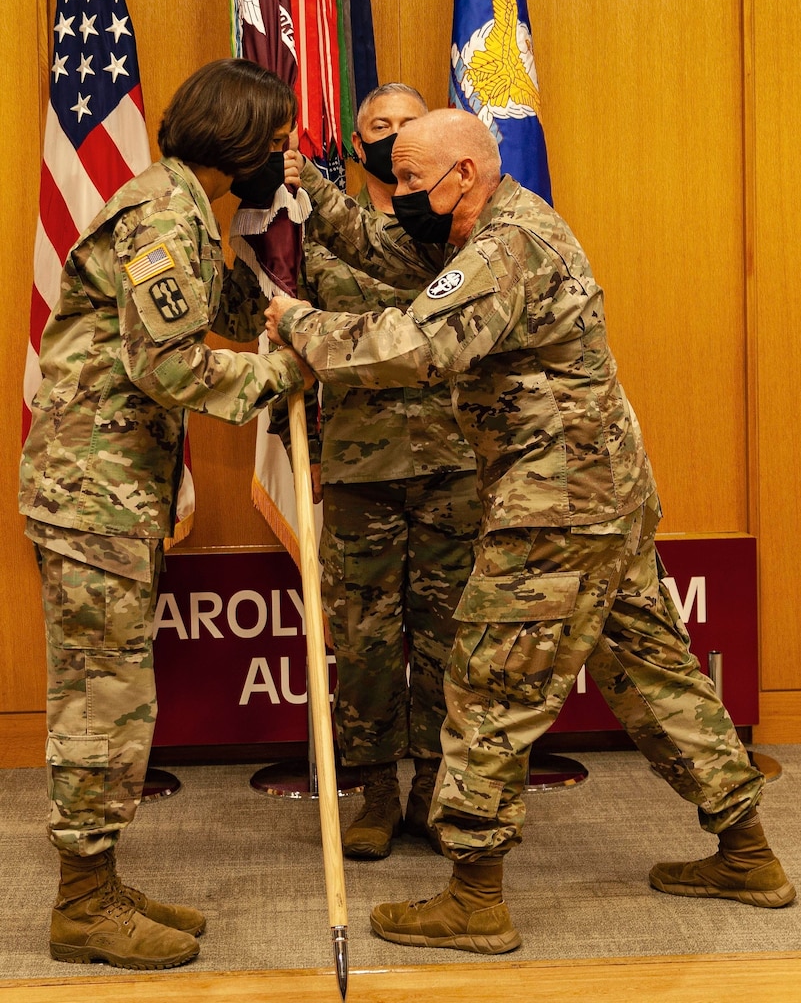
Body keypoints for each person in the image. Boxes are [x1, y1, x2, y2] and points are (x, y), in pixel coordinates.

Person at [265, 107, 795, 955]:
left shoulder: (507, 247)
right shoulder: (487, 228)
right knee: (653, 675)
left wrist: (300, 325)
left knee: (486, 684)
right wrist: (313, 196)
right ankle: (748, 854)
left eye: (409, 180)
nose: (398, 196)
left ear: (462, 176)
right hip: (601, 495)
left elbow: (414, 344)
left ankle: (475, 896)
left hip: (556, 505)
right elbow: (390, 253)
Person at [19, 58, 314, 970]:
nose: (283, 156)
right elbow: (171, 368)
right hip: (93, 492)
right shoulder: (157, 215)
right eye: (274, 143)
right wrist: (280, 373)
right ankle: (82, 907)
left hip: (114, 488)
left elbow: (211, 303)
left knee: (113, 691)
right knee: (101, 700)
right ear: (235, 144)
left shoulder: (186, 207)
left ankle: (97, 884)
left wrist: (281, 287)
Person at [270, 84, 481, 860]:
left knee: (445, 636)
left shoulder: (455, 228)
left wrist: (328, 331)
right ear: (358, 146)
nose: (392, 136)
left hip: (452, 461)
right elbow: (282, 313)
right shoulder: (319, 237)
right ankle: (376, 791)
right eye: (377, 127)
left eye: (406, 125)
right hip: (361, 464)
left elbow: (399, 321)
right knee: (361, 639)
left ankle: (431, 785)